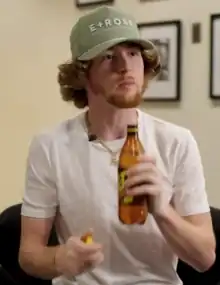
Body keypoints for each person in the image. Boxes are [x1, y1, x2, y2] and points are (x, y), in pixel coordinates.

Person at [18, 6, 216, 285]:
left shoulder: (176, 142)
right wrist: (60, 259)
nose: (125, 66)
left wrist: (163, 211)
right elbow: (29, 254)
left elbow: (205, 258)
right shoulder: (49, 146)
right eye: (109, 56)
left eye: (133, 54)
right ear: (82, 75)